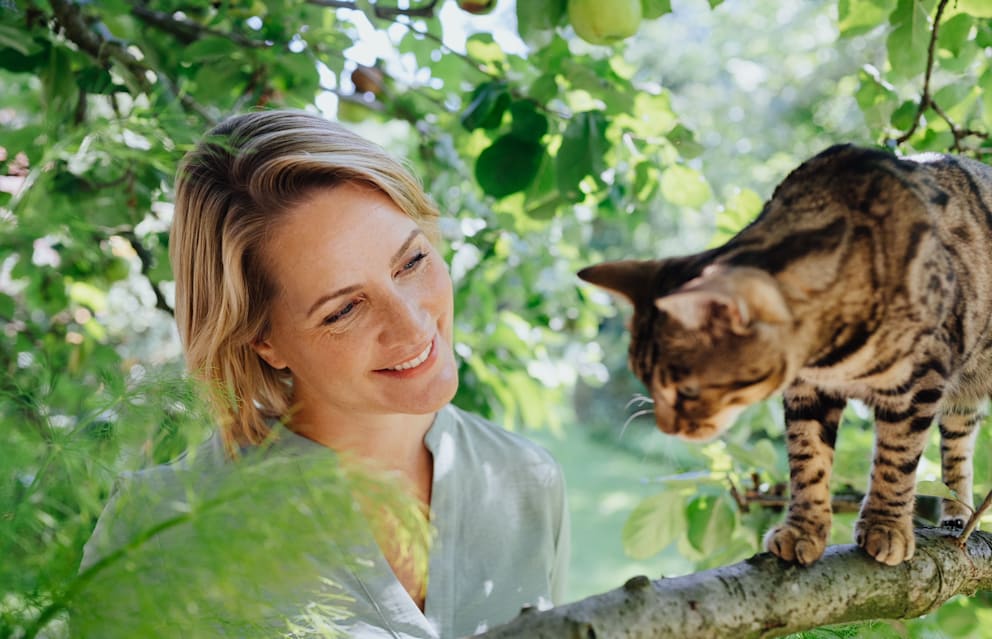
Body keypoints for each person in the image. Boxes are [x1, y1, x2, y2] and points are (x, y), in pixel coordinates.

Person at [78, 109, 570, 638]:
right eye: (343, 310)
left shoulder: (527, 480)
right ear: (262, 340)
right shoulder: (158, 529)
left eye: (411, 262)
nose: (412, 325)